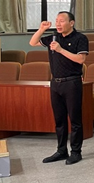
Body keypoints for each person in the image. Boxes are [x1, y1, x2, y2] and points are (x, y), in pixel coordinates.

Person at [30, 12, 89, 165]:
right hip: (56, 83)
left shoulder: (80, 38)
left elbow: (81, 59)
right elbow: (33, 42)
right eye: (56, 21)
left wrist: (61, 50)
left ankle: (76, 152)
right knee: (59, 120)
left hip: (72, 82)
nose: (58, 23)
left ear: (71, 23)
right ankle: (61, 150)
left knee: (75, 120)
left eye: (62, 21)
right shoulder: (53, 37)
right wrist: (41, 29)